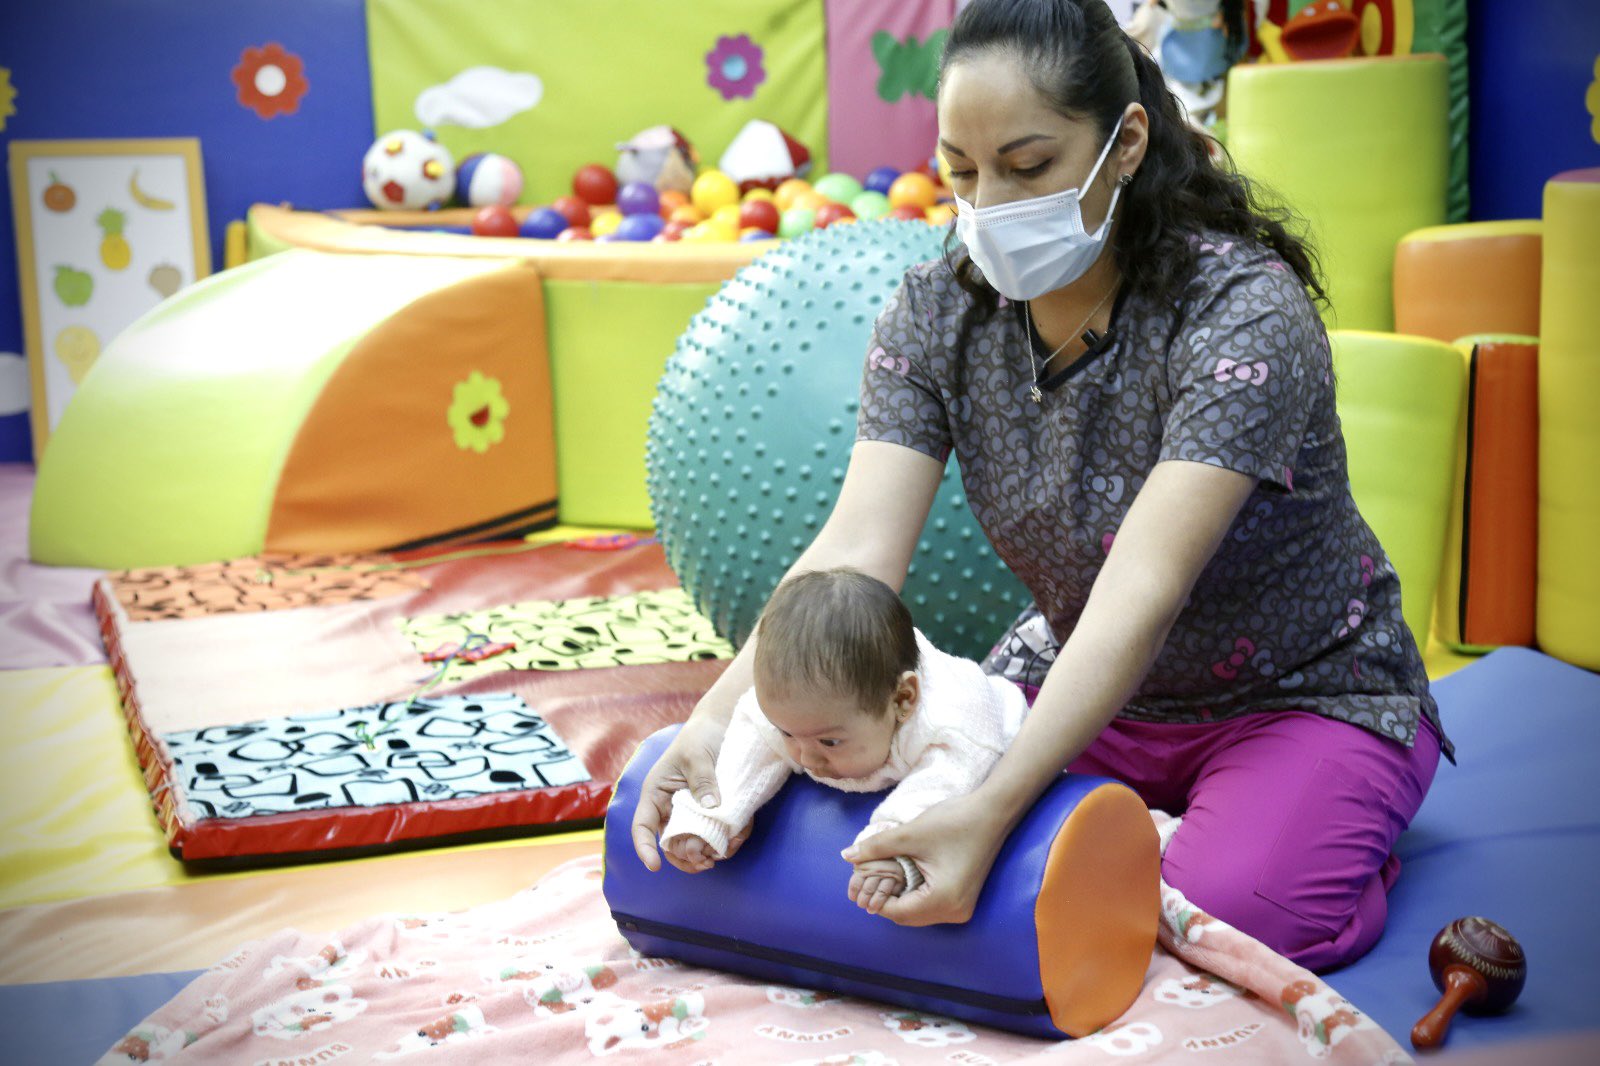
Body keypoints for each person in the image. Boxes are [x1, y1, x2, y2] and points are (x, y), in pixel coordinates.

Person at [633, 0, 1450, 973]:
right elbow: (853, 552)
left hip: (1302, 690)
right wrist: (719, 720)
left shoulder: (1239, 312)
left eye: (1027, 167)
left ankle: (1335, 826)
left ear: (1124, 143)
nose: (991, 205)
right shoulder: (937, 314)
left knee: (1213, 915)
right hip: (1074, 678)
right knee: (889, 816)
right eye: (961, 173)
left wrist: (992, 807)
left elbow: (1143, 586)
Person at [659, 567, 1028, 914]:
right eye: (789, 734)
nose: (806, 759)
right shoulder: (807, 709)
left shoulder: (952, 727)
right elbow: (752, 737)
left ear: (902, 701)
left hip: (1013, 743)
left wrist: (889, 852)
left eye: (829, 743)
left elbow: (945, 786)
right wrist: (711, 820)